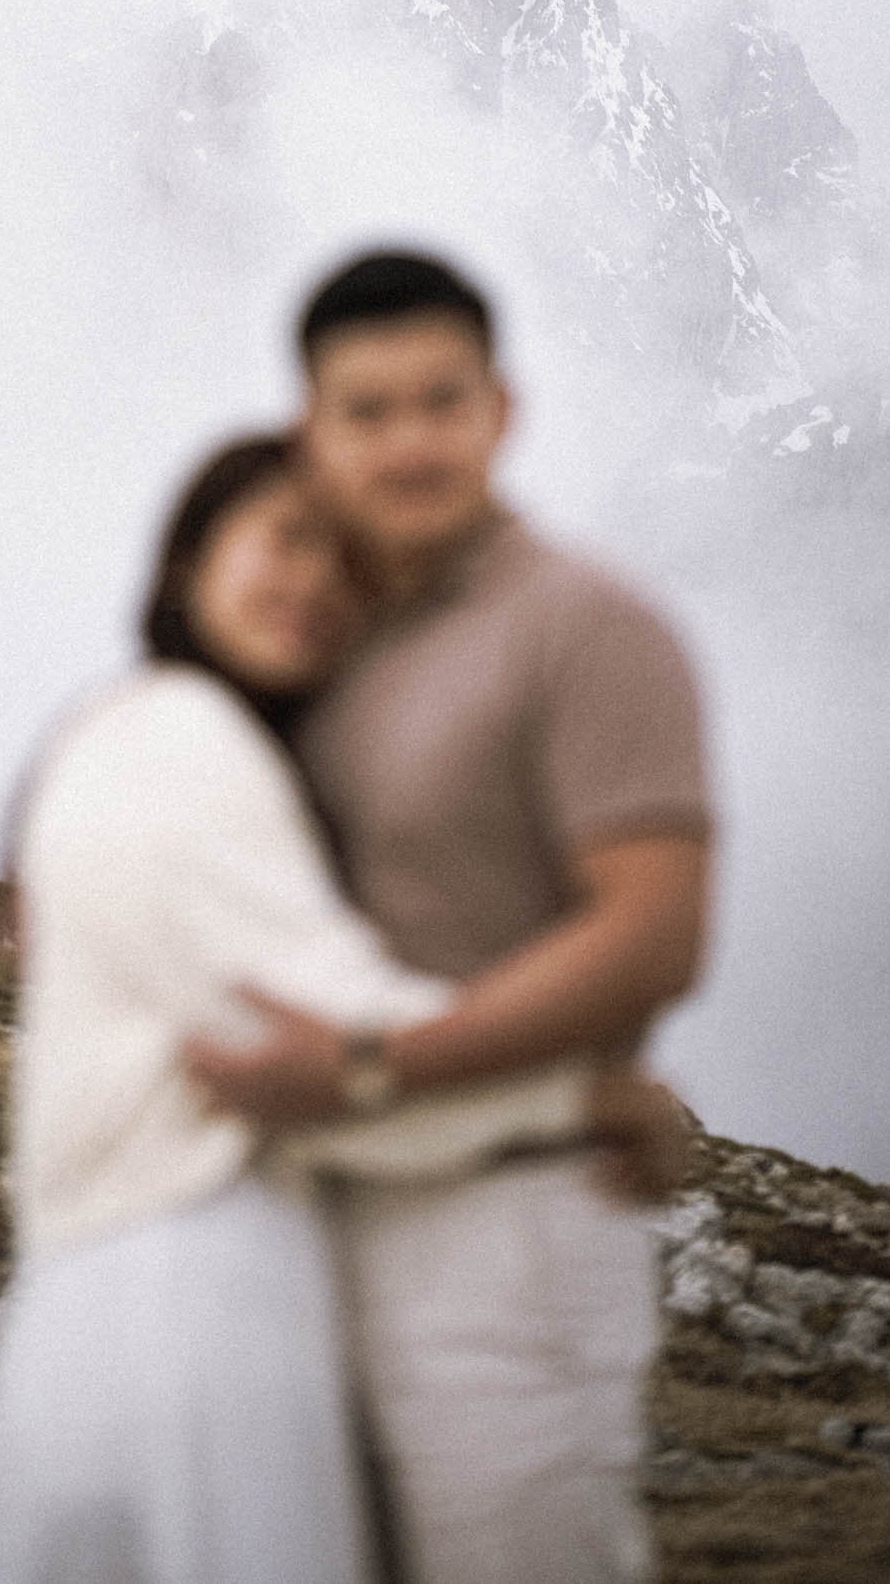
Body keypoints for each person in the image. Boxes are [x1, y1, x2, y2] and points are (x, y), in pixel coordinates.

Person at [0, 431, 685, 1584]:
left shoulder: (120, 734)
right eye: (286, 538)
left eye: (350, 567)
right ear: (190, 558)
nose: (315, 583)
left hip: (103, 1311)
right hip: (193, 1301)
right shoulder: (181, 738)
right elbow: (300, 1031)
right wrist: (581, 1097)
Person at [185, 251, 715, 1584]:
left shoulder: (587, 628)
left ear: (500, 409)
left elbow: (654, 933)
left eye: (440, 401)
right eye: (366, 412)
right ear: (309, 431)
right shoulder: (319, 638)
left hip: (508, 1230)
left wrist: (374, 1066)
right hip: (310, 1225)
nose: (408, 443)